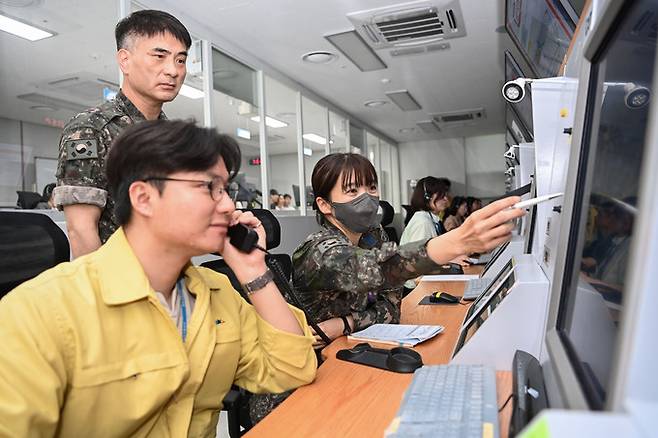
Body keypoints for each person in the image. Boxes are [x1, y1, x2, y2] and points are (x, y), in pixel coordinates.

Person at [0, 120, 317, 436]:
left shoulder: (217, 292)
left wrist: (253, 270)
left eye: (226, 190)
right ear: (144, 198)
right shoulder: (38, 312)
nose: (229, 205)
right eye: (209, 187)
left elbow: (293, 370)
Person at [248, 154, 524, 423]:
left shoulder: (372, 236)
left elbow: (392, 305)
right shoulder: (319, 251)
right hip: (295, 387)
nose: (367, 197)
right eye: (351, 190)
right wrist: (455, 242)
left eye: (371, 187)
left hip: (347, 359)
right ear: (325, 205)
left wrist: (345, 323)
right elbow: (379, 270)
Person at [53, 10, 190, 258]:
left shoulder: (172, 136)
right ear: (124, 60)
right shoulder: (91, 129)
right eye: (159, 56)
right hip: (120, 285)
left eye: (180, 60)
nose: (173, 70)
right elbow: (82, 232)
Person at [399, 177, 466, 290]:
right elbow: (418, 263)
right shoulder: (422, 222)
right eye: (441, 196)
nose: (446, 199)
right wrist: (449, 261)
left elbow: (429, 255)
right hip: (414, 289)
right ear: (427, 197)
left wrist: (450, 259)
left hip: (423, 282)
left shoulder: (430, 219)